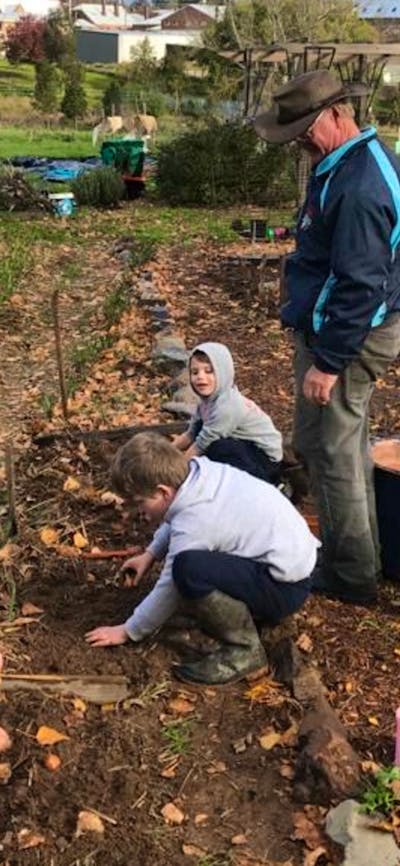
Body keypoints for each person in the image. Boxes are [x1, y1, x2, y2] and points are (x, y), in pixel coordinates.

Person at [253, 68, 400, 606]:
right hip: (337, 330)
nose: (298, 144)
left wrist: (330, 361)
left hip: (350, 338)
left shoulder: (361, 187)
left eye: (303, 131)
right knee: (327, 445)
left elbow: (361, 282)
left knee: (335, 452)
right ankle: (357, 551)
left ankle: (352, 574)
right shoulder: (345, 162)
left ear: (337, 114)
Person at [85, 433, 318, 685]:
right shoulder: (200, 474)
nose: (136, 511)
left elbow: (169, 586)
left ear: (163, 491)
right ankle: (232, 613)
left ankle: (244, 649)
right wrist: (150, 555)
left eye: (139, 503)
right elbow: (178, 515)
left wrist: (129, 630)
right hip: (289, 563)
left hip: (283, 588)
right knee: (195, 566)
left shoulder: (198, 519)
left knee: (189, 570)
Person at [172, 341, 283, 484]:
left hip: (264, 458)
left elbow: (201, 444)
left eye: (209, 371)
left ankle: (266, 483)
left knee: (218, 448)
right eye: (195, 372)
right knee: (201, 429)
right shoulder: (205, 402)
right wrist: (166, 454)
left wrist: (177, 472)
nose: (200, 376)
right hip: (243, 445)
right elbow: (191, 433)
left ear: (223, 372)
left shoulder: (228, 406)